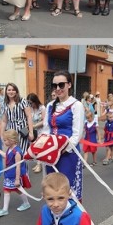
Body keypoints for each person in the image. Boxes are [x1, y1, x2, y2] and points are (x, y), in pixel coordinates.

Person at [40, 71, 85, 200]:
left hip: (68, 154)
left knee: (67, 188)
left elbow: (77, 135)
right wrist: (41, 146)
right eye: (55, 85)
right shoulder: (50, 106)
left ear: (69, 85)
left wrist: (61, 149)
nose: (58, 89)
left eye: (61, 85)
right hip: (51, 154)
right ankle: (55, 217)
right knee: (52, 187)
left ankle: (70, 218)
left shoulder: (76, 106)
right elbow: (46, 130)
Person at [35, 172, 102, 225]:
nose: (56, 204)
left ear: (69, 194)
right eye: (50, 199)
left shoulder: (79, 217)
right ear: (43, 196)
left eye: (61, 198)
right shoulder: (44, 211)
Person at [0, 129, 32, 217]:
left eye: (5, 140)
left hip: (14, 175)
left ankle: (25, 204)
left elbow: (18, 166)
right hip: (9, 174)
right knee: (8, 190)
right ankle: (5, 209)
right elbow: (7, 156)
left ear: (12, 140)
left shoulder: (17, 152)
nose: (4, 142)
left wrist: (17, 179)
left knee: (17, 190)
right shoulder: (10, 149)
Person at [1, 82, 34, 154]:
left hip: (22, 130)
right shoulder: (4, 104)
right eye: (9, 90)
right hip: (11, 132)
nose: (11, 92)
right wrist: (2, 134)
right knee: (13, 152)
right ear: (6, 91)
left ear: (16, 91)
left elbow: (29, 116)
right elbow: (4, 121)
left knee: (22, 152)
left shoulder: (22, 101)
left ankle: (23, 165)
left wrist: (31, 132)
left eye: (13, 90)